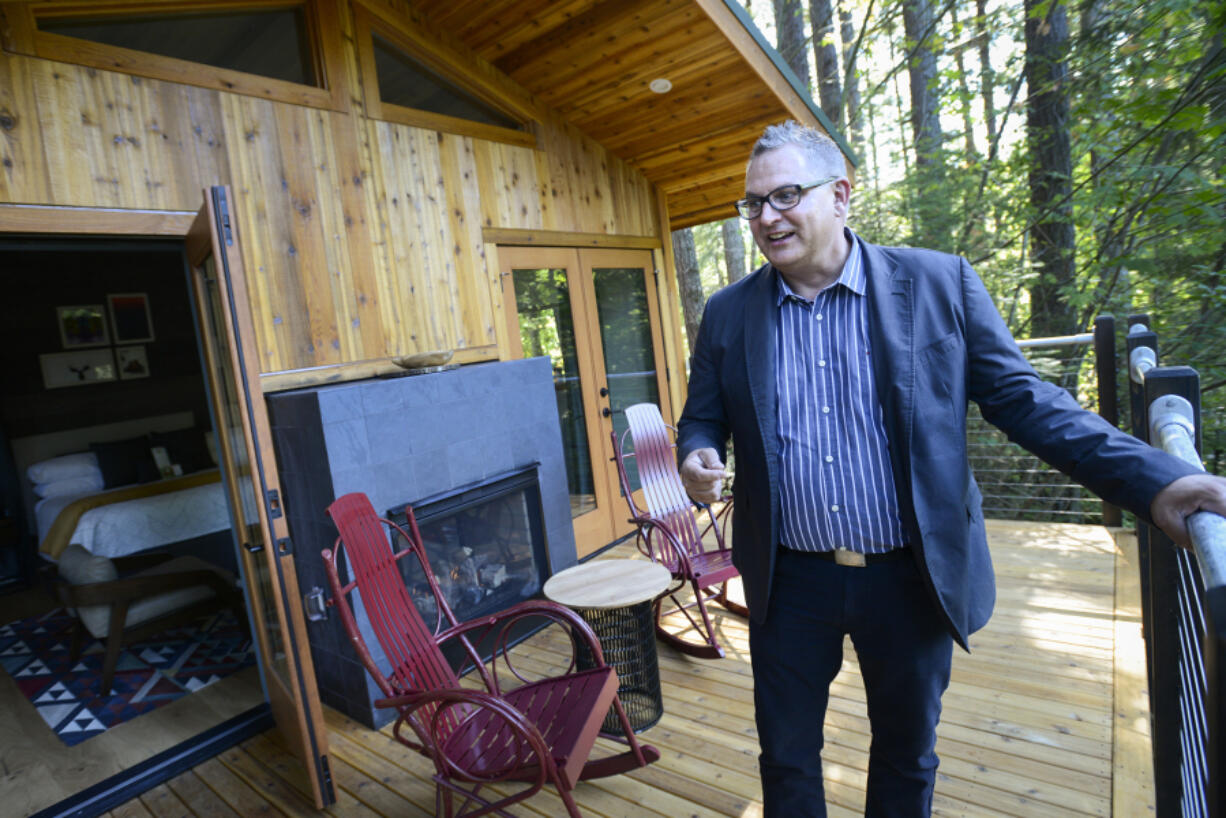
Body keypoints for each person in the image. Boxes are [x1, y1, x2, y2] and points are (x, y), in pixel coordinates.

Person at [676, 120, 1226, 817]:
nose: (766, 217)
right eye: (752, 203)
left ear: (841, 195)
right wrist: (698, 451)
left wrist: (1156, 481)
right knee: (785, 758)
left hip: (911, 574)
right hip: (789, 580)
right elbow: (702, 416)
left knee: (908, 757)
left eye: (785, 196)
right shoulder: (728, 314)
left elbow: (1026, 403)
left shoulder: (937, 283)